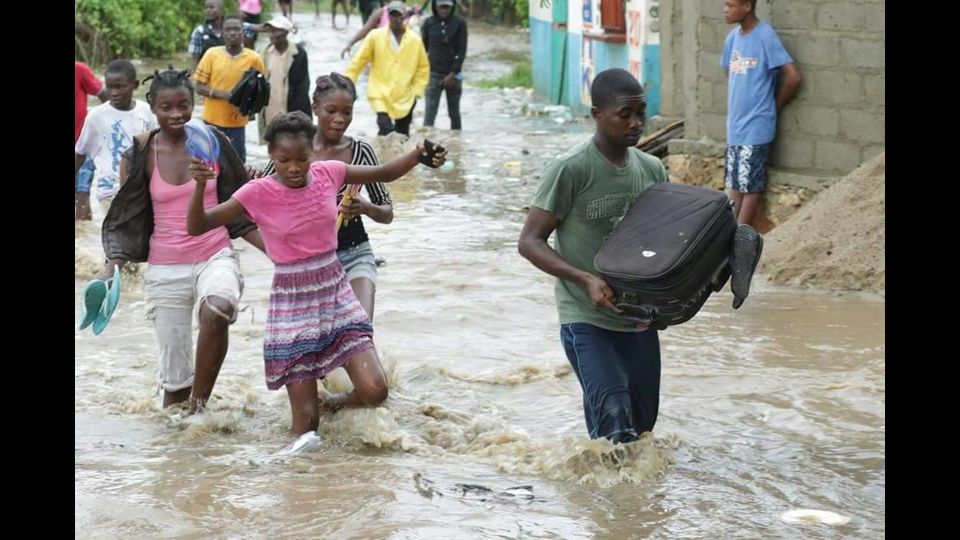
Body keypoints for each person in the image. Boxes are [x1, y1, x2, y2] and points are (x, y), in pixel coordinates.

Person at [186, 111, 444, 443]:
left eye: (302, 159)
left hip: (336, 294)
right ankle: (300, 471)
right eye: (284, 160)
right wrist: (200, 186)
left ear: (312, 153)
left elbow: (384, 173)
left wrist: (417, 155)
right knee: (307, 424)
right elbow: (198, 225)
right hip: (293, 305)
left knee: (376, 390)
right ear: (271, 155)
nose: (294, 168)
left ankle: (336, 403)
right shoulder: (256, 192)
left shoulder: (329, 172)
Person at [98, 67, 266, 414]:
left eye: (184, 105)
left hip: (214, 254)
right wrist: (111, 267)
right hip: (165, 268)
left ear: (193, 104)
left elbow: (240, 206)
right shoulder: (141, 152)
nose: (176, 114)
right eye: (166, 107)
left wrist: (281, 253)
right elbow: (128, 217)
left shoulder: (213, 142)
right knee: (174, 391)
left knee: (218, 309)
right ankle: (179, 435)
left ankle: (199, 410)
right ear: (152, 108)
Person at [518, 68, 668, 444]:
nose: (636, 124)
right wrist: (584, 279)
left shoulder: (652, 170)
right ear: (597, 114)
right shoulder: (570, 169)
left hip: (639, 319)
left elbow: (664, 242)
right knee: (615, 421)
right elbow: (530, 241)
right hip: (586, 319)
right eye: (624, 114)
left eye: (641, 113)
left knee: (642, 433)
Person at [259, 73, 393, 320]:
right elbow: (258, 202)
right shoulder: (296, 150)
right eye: (331, 111)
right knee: (314, 338)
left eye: (347, 112)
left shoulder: (361, 152)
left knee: (361, 329)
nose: (340, 119)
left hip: (355, 254)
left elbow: (387, 213)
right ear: (315, 108)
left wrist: (365, 207)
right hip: (307, 264)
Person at [721, 0, 801, 228]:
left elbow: (793, 77)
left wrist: (774, 106)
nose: (725, 10)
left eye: (730, 5)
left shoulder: (765, 36)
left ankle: (740, 237)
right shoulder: (732, 39)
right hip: (735, 127)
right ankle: (728, 233)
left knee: (751, 186)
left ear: (747, 6)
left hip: (756, 125)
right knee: (736, 185)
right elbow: (729, 71)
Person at [75, 60, 158, 215]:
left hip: (140, 189)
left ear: (135, 85)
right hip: (109, 191)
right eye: (109, 87)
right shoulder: (96, 116)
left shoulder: (146, 112)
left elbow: (156, 148)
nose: (113, 93)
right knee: (116, 230)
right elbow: (80, 152)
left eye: (120, 87)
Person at [344, 1, 429, 137]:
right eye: (393, 15)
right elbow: (359, 61)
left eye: (399, 15)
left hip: (405, 95)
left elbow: (423, 67)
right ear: (388, 16)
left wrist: (417, 91)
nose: (396, 19)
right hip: (380, 93)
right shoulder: (375, 36)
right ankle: (380, 149)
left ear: (404, 16)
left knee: (403, 135)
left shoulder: (415, 40)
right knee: (385, 129)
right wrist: (347, 83)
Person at [194, 14, 267, 163]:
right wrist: (224, 94)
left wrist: (250, 108)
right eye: (228, 29)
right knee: (210, 163)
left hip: (237, 123)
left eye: (236, 29)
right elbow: (199, 87)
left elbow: (261, 90)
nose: (232, 33)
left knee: (237, 164)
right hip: (211, 120)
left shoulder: (254, 58)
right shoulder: (211, 55)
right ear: (222, 32)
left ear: (243, 32)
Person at [257, 15, 312, 143]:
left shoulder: (298, 54)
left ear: (286, 33)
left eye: (276, 31)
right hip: (270, 108)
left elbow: (302, 87)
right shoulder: (263, 53)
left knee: (295, 142)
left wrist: (296, 115)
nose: (272, 34)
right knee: (273, 144)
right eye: (271, 31)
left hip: (292, 108)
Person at [421, 0, 467, 130]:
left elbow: (462, 51)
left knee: (454, 113)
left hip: (453, 75)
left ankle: (456, 140)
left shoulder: (460, 23)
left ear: (452, 7)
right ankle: (427, 140)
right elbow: (423, 49)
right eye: (442, 7)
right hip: (433, 74)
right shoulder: (428, 23)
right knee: (429, 114)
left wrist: (452, 74)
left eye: (447, 7)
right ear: (435, 6)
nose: (445, 10)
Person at [76, 61, 109, 221]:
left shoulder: (79, 70)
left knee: (82, 190)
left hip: (83, 142)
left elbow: (104, 96)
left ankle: (81, 233)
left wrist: (108, 125)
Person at [189, 0, 260, 67]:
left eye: (211, 7)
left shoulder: (233, 28)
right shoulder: (200, 31)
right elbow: (194, 58)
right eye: (206, 8)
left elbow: (256, 28)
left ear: (221, 10)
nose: (208, 10)